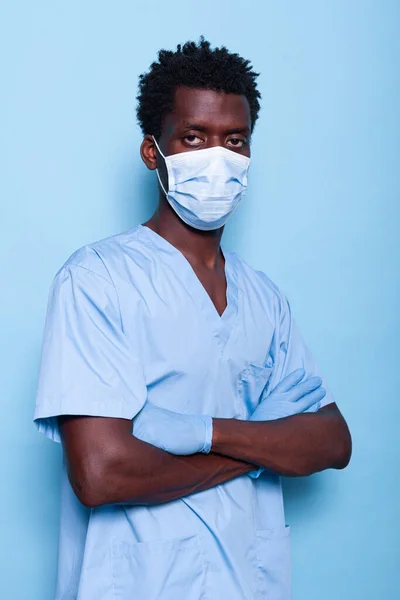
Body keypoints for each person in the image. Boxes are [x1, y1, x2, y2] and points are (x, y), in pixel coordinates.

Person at [34, 38, 352, 600]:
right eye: (194, 137)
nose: (217, 157)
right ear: (152, 152)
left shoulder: (265, 300)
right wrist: (261, 447)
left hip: (251, 581)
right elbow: (101, 474)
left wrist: (200, 433)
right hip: (133, 584)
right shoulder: (97, 280)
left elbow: (330, 442)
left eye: (234, 140)